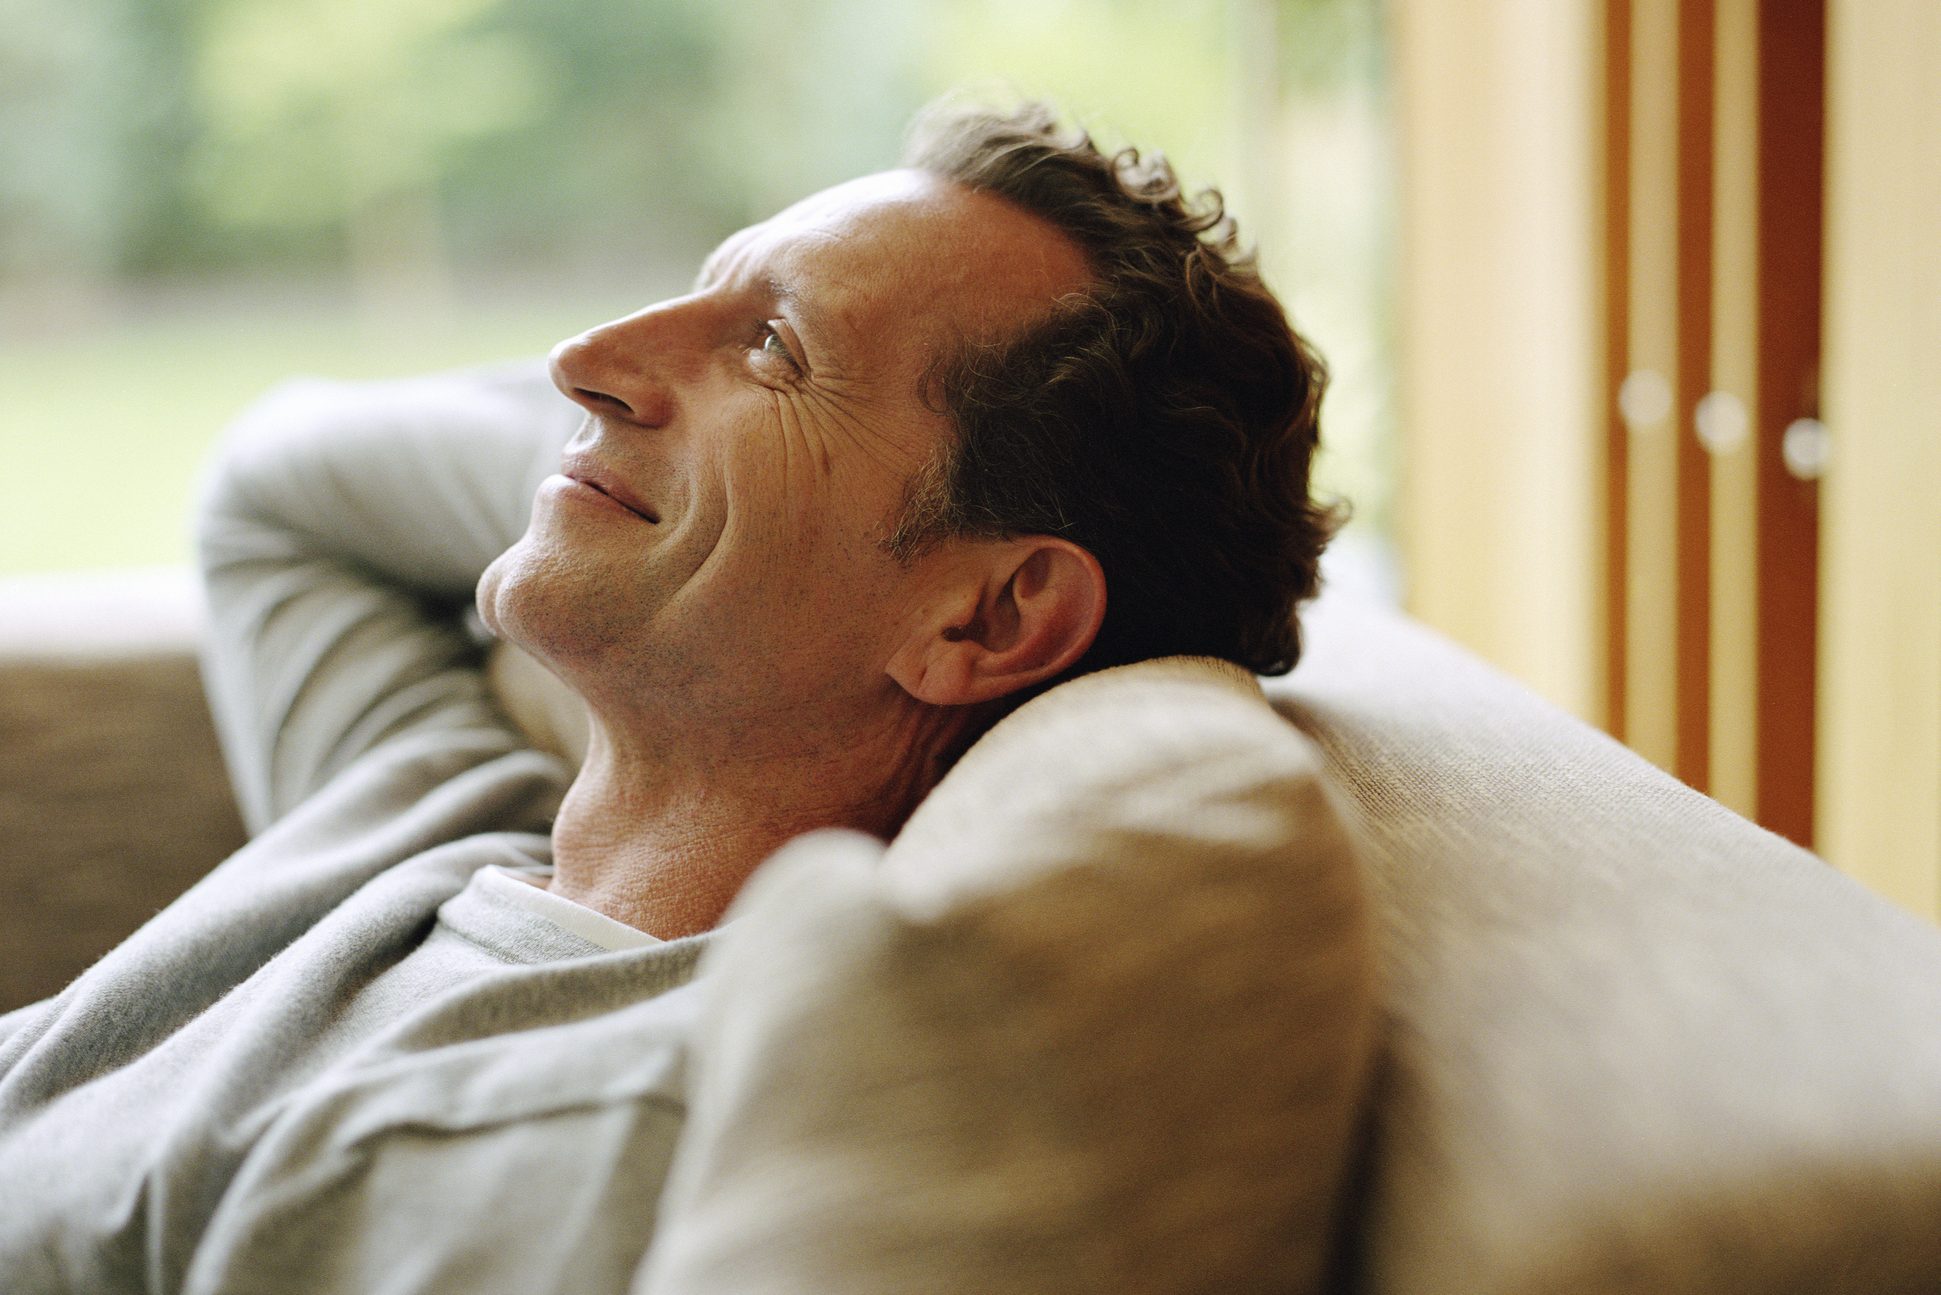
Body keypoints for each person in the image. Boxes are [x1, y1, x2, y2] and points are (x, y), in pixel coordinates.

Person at [0, 100, 1335, 1291]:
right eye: (696, 292)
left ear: (986, 616)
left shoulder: (603, 1124)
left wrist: (667, 495)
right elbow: (282, 486)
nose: (579, 354)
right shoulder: (427, 805)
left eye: (774, 351)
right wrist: (650, 481)